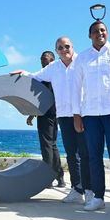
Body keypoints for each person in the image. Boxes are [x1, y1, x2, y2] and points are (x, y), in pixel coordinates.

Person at [11, 38, 91, 203]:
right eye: (60, 48)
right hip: (63, 116)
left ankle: (89, 190)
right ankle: (77, 189)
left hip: (83, 114)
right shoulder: (53, 68)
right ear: (57, 51)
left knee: (85, 153)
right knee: (71, 154)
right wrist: (23, 73)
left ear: (72, 47)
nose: (64, 50)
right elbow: (35, 77)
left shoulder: (82, 61)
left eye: (67, 46)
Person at [72, 20, 110, 214]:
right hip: (90, 114)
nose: (100, 34)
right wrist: (76, 114)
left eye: (103, 30)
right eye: (96, 31)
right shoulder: (82, 58)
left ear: (108, 32)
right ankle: (98, 197)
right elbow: (76, 87)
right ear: (90, 35)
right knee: (93, 157)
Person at [25, 51, 64, 187]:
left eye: (46, 59)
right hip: (53, 113)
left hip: (47, 114)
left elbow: (42, 99)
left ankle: (48, 177)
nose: (43, 61)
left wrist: (34, 113)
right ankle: (59, 176)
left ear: (52, 60)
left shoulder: (47, 76)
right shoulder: (51, 74)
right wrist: (32, 114)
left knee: (47, 146)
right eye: (41, 59)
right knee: (52, 145)